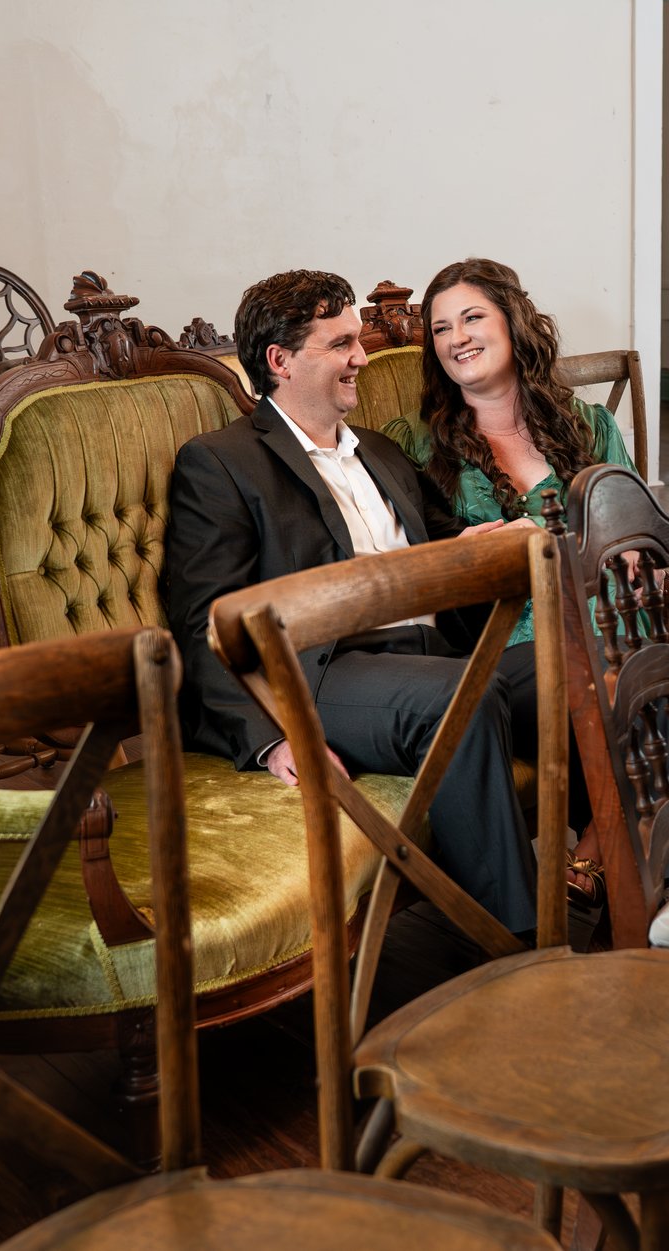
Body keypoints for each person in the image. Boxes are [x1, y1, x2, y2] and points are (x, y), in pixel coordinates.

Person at [161, 267, 540, 939]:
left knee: (568, 663)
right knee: (464, 696)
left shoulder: (384, 453)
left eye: (357, 340)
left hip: (436, 654)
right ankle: (517, 949)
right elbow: (202, 622)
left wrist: (480, 544)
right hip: (325, 672)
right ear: (279, 361)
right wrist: (270, 739)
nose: (362, 357)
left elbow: (442, 541)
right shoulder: (219, 462)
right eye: (341, 344)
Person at [387, 257, 633, 647]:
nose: (457, 338)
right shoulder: (407, 442)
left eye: (472, 318)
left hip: (605, 626)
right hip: (492, 641)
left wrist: (543, 536)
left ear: (512, 321)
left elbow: (634, 533)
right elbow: (400, 558)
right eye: (441, 328)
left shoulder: (591, 425)